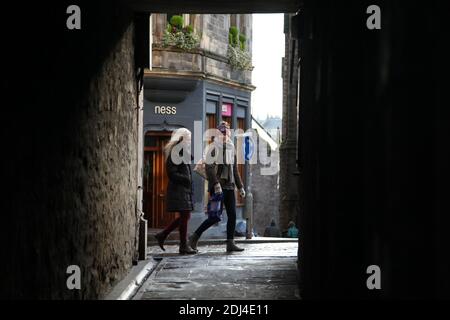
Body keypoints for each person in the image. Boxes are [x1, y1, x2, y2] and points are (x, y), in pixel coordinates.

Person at [189, 121, 246, 252]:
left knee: (232, 215)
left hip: (230, 187)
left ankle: (230, 243)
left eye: (226, 132)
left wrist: (240, 187)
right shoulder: (213, 148)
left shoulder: (232, 148)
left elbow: (235, 170)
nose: (224, 135)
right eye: (222, 132)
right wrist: (216, 184)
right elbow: (209, 168)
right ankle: (194, 237)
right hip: (218, 187)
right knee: (214, 216)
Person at [154, 128, 197, 254]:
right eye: (188, 138)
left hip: (184, 189)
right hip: (179, 189)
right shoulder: (175, 151)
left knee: (185, 216)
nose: (190, 141)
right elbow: (171, 173)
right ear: (182, 138)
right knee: (185, 216)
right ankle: (182, 245)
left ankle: (163, 235)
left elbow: (188, 160)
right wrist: (186, 179)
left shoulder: (181, 151)